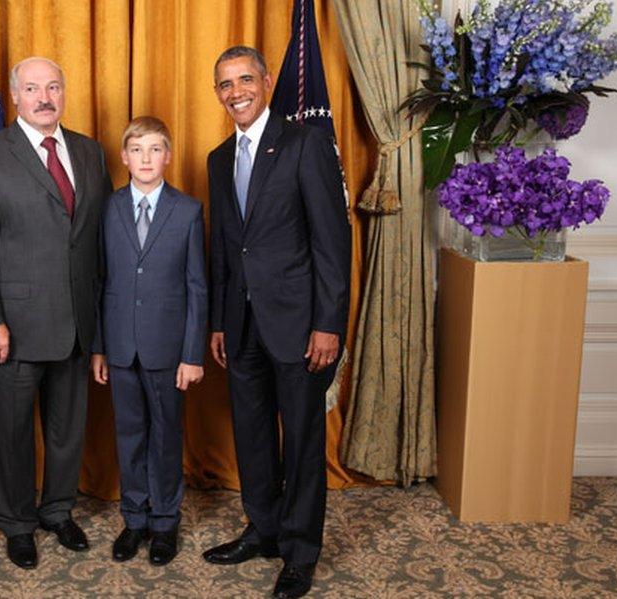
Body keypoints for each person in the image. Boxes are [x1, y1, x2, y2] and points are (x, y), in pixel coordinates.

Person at [0, 56, 113, 570]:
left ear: (64, 94)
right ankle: (17, 522)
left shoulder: (89, 153)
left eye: (53, 87)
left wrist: (104, 329)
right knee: (15, 431)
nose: (45, 97)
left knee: (68, 429)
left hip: (77, 324)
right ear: (15, 97)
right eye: (32, 88)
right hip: (13, 326)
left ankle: (58, 510)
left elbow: (100, 244)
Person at [202, 46, 350, 599]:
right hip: (239, 325)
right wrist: (218, 321)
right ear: (216, 92)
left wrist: (328, 323)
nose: (235, 91)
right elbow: (224, 249)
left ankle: (300, 550)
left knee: (304, 441)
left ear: (265, 81)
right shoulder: (219, 158)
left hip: (300, 323)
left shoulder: (305, 141)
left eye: (245, 79)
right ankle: (262, 530)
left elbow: (332, 242)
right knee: (253, 435)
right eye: (224, 84)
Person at [91, 116, 207, 566]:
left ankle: (164, 522)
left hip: (168, 347)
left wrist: (192, 353)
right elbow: (101, 281)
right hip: (120, 346)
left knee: (165, 435)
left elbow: (198, 286)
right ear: (123, 157)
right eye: (137, 149)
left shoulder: (188, 210)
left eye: (155, 149)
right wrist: (100, 346)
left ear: (169, 156)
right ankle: (134, 519)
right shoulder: (108, 208)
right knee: (129, 434)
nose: (145, 158)